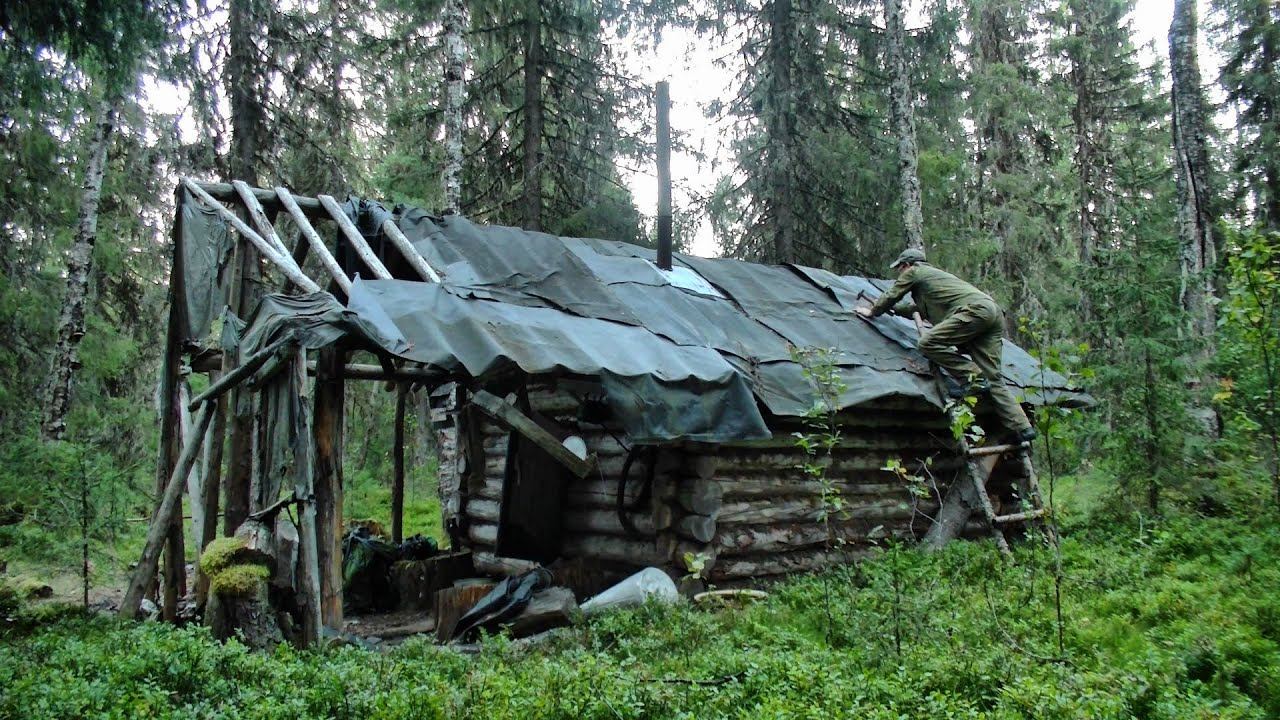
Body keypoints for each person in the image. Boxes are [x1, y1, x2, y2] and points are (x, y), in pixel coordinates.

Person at [855, 247, 1036, 443]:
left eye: (899, 269)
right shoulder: (936, 283)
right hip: (990, 313)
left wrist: (873, 311)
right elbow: (916, 310)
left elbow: (892, 294)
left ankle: (972, 376)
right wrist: (894, 311)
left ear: (906, 265)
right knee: (994, 379)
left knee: (927, 342)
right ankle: (1023, 427)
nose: (899, 273)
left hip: (974, 311)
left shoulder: (916, 272)